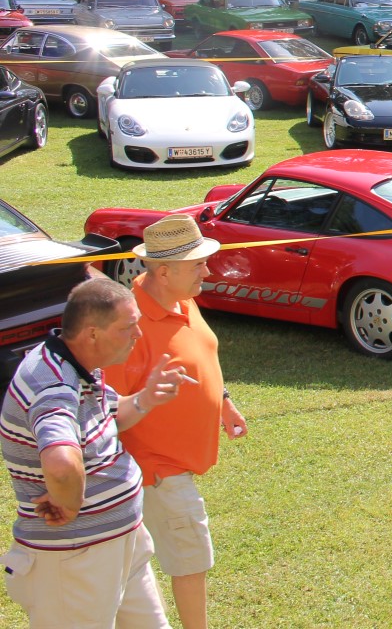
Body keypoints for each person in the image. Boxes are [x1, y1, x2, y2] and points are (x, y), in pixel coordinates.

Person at [2, 277, 192, 629]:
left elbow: (109, 417)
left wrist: (145, 399)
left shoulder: (81, 367)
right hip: (76, 558)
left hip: (119, 543)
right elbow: (59, 463)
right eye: (128, 327)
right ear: (92, 333)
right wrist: (70, 502)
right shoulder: (54, 386)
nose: (137, 335)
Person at [103, 217, 247, 629]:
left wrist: (222, 402)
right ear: (163, 272)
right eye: (197, 265)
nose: (207, 270)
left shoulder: (184, 301)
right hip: (157, 471)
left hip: (176, 464)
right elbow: (107, 407)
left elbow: (202, 354)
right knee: (190, 559)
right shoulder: (128, 327)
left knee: (146, 564)